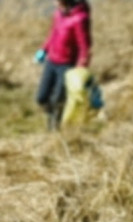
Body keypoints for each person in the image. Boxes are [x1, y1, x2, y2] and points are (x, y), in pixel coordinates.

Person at [34, 0, 92, 131]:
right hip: (51, 61)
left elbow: (84, 47)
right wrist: (44, 49)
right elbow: (52, 35)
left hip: (66, 65)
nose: (54, 3)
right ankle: (52, 113)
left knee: (58, 99)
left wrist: (81, 67)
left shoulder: (80, 19)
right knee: (41, 98)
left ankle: (54, 128)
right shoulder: (58, 14)